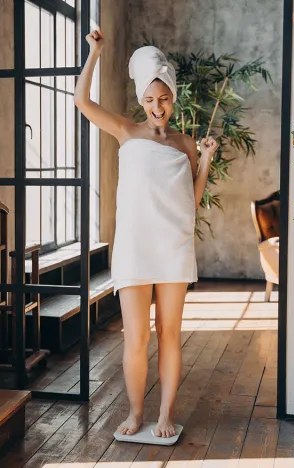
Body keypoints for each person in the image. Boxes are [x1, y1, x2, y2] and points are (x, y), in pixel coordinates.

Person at [74, 30, 218, 438]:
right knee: (136, 337)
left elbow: (191, 197)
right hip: (135, 247)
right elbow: (82, 102)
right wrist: (95, 52)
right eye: (150, 100)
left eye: (164, 98)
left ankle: (165, 414)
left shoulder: (186, 143)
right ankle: (136, 414)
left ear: (173, 97)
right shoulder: (125, 130)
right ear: (142, 100)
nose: (158, 107)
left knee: (169, 334)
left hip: (173, 246)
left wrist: (205, 160)